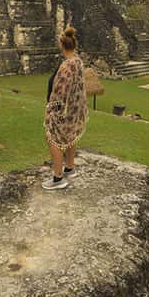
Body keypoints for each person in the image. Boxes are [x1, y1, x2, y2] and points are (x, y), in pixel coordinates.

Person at [43, 26, 87, 190]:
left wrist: (52, 109)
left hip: (63, 110)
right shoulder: (77, 61)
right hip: (73, 109)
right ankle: (69, 167)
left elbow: (61, 92)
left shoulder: (67, 66)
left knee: (52, 138)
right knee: (70, 134)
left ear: (62, 45)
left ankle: (58, 177)